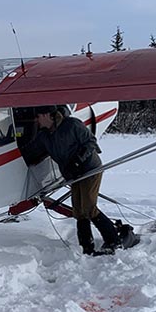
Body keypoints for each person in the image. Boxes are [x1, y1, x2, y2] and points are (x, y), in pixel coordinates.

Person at [23, 104, 130, 255]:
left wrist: (78, 160)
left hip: (89, 170)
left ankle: (113, 240)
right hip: (73, 174)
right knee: (79, 211)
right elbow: (31, 150)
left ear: (47, 115)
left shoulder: (71, 125)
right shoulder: (45, 136)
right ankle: (87, 247)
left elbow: (91, 142)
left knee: (88, 208)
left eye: (38, 116)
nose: (36, 120)